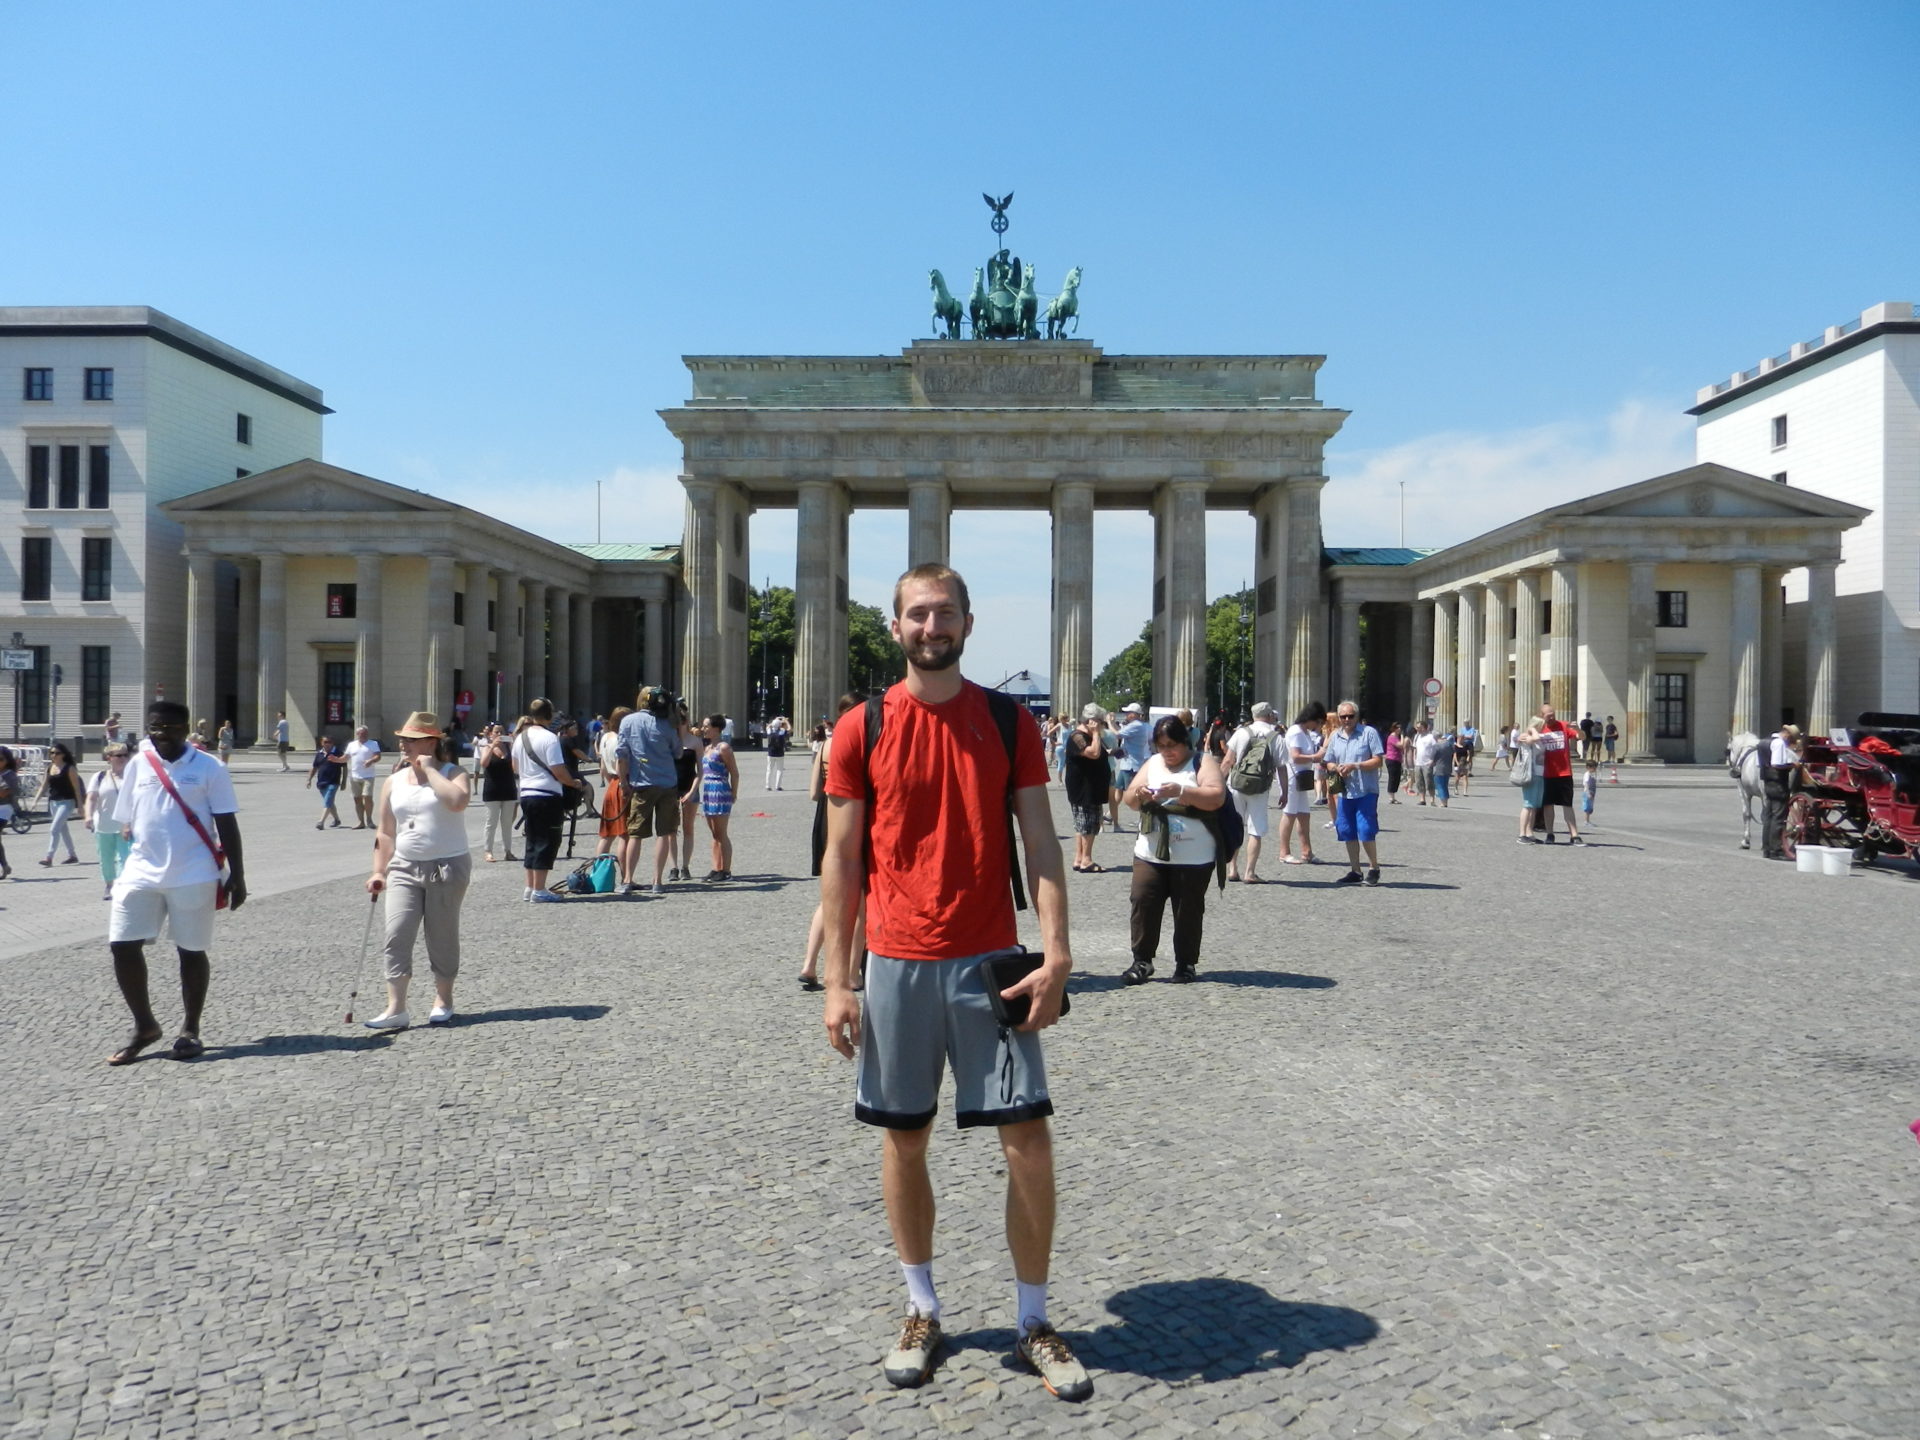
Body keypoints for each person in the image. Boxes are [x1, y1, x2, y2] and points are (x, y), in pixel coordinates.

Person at [819, 563, 1089, 1402]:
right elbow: (842, 857)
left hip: (989, 961)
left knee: (1029, 1142)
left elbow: (1042, 843)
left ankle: (1034, 1319)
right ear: (895, 626)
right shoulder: (860, 726)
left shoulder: (1008, 722)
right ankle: (922, 1306)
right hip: (896, 962)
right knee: (903, 1138)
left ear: (968, 624)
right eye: (918, 614)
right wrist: (839, 977)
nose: (932, 627)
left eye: (946, 614)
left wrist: (1058, 950)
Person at [104, 700, 246, 1065]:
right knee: (122, 944)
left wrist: (238, 876)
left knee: (191, 950)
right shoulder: (138, 763)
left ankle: (190, 1029)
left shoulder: (209, 767)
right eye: (154, 727)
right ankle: (145, 1025)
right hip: (141, 870)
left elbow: (227, 822)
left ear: (185, 729)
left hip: (194, 872)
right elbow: (128, 818)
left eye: (168, 727)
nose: (160, 734)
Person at [362, 711, 471, 1031]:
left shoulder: (455, 773)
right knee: (396, 933)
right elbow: (385, 831)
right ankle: (396, 1007)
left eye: (410, 740)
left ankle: (443, 999)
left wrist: (430, 771)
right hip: (403, 867)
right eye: (402, 739)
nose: (403, 744)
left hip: (447, 867)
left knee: (441, 935)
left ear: (430, 742)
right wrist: (378, 871)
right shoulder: (393, 781)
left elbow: (458, 802)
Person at [1123, 714, 1227, 982]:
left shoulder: (1202, 762)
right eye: (1161, 745)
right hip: (1150, 851)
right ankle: (1142, 961)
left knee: (1188, 910)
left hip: (1194, 855)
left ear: (1185, 741)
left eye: (1172, 745)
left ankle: (1186, 964)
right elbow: (1129, 799)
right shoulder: (1153, 762)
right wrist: (1140, 794)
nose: (1167, 751)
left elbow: (1216, 797)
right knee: (1143, 902)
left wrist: (1181, 791)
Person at [801, 695, 867, 991]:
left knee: (830, 897)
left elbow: (814, 792)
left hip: (826, 817)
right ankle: (851, 973)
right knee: (861, 903)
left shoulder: (827, 744)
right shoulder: (862, 742)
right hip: (855, 818)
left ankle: (809, 964)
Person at [513, 699, 586, 901]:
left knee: (532, 840)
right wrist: (573, 783)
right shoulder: (549, 738)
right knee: (548, 841)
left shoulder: (521, 738)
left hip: (526, 793)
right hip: (546, 795)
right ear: (549, 716)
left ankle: (530, 887)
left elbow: (515, 768)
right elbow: (558, 770)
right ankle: (540, 889)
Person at [616, 686, 684, 896]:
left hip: (641, 783)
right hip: (667, 784)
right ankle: (657, 880)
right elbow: (678, 753)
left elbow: (621, 755)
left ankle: (627, 879)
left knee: (635, 834)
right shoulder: (666, 725)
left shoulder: (628, 722)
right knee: (664, 833)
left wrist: (623, 783)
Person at [1324, 700, 1385, 885]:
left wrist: (1355, 766)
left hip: (1366, 790)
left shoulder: (1369, 733)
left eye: (1350, 716)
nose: (1347, 719)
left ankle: (1374, 867)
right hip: (1344, 791)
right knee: (1347, 831)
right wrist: (1335, 767)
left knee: (1366, 830)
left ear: (1357, 716)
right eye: (1343, 717)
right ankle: (1355, 870)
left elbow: (1378, 760)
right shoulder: (1335, 736)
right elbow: (1328, 761)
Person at [1224, 701, 1282, 882]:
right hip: (1260, 788)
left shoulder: (1241, 732)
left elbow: (1228, 760)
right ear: (1270, 716)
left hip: (1237, 784)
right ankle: (1250, 872)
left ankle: (1232, 869)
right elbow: (1282, 768)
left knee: (1235, 826)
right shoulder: (1276, 737)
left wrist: (1216, 783)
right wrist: (1285, 792)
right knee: (1255, 830)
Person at [1062, 703, 1112, 873]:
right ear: (1093, 721)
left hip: (1091, 785)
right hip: (1084, 787)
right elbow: (1093, 753)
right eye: (1100, 722)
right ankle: (1087, 860)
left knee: (1081, 824)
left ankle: (1079, 858)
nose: (1102, 726)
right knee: (1088, 824)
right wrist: (1097, 733)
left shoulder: (1086, 735)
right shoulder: (1078, 736)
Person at [1529, 703, 1585, 844]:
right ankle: (1550, 834)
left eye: (1553, 714)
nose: (1552, 717)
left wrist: (1578, 729)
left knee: (1567, 805)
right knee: (1548, 805)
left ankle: (1574, 835)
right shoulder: (1540, 729)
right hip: (1546, 774)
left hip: (1564, 773)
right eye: (1549, 715)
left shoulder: (1564, 725)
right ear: (1542, 716)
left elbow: (1581, 737)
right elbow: (1526, 738)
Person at [83, 743, 133, 899]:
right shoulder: (99, 777)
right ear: (109, 758)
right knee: (106, 858)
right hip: (104, 825)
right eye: (119, 755)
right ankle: (109, 885)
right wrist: (88, 815)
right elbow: (91, 798)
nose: (123, 758)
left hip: (126, 825)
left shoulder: (133, 776)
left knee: (125, 858)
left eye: (126, 755)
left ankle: (121, 885)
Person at [692, 713, 738, 881]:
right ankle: (715, 867)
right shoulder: (707, 747)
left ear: (716, 728)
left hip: (720, 790)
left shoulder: (723, 748)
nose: (704, 729)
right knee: (714, 834)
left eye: (706, 726)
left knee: (721, 833)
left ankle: (726, 870)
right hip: (708, 791)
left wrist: (734, 793)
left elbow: (734, 772)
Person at [1278, 702, 1325, 864]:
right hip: (1293, 776)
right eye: (1318, 722)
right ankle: (1284, 852)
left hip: (1302, 775)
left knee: (1304, 814)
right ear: (1312, 719)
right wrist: (1315, 757)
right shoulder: (1296, 732)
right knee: (1289, 813)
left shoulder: (1304, 732)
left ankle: (1307, 851)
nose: (1318, 726)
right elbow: (1295, 756)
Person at [34, 742, 82, 866]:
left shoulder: (69, 768)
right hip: (53, 802)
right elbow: (44, 786)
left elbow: (77, 788)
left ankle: (49, 857)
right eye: (52, 753)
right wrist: (35, 800)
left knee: (54, 829)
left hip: (67, 802)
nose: (54, 755)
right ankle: (72, 855)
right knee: (63, 830)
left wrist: (81, 806)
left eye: (57, 753)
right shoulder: (50, 768)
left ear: (63, 755)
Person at [594, 705, 632, 862]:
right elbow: (621, 763)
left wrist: (612, 783)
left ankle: (598, 872)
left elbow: (603, 766)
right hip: (623, 782)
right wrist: (624, 784)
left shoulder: (605, 737)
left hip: (612, 784)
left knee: (607, 834)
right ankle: (626, 875)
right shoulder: (621, 739)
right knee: (625, 834)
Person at [1761, 723, 1801, 860]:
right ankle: (1776, 849)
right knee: (1779, 817)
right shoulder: (1778, 743)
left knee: (1769, 816)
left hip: (1767, 782)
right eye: (1791, 740)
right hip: (1778, 783)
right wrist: (1792, 765)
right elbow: (1777, 764)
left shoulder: (1764, 742)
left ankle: (1766, 847)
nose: (1790, 743)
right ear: (1788, 734)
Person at [1114, 702, 1151, 831]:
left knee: (1134, 795)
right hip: (1126, 763)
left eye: (1128, 713)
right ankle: (1111, 815)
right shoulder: (1137, 725)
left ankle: (1143, 818)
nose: (1126, 714)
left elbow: (1116, 734)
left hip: (1132, 765)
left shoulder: (1136, 725)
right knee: (1118, 790)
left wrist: (1108, 722)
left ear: (1134, 715)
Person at [1512, 724, 1547, 843]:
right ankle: (1522, 834)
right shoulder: (1527, 738)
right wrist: (1531, 729)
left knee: (1534, 806)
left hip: (1539, 774)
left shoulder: (1538, 738)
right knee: (1528, 804)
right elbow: (1535, 738)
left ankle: (1530, 833)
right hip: (1529, 774)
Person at [345, 725, 382, 828]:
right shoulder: (351, 745)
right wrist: (335, 760)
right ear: (357, 734)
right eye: (361, 733)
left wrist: (371, 760)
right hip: (354, 775)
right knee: (357, 799)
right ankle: (361, 822)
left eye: (365, 733)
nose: (363, 735)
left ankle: (369, 819)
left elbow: (378, 756)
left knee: (367, 796)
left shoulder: (373, 744)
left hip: (368, 775)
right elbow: (346, 757)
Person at [308, 734, 345, 828]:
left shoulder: (338, 752)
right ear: (321, 743)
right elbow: (314, 768)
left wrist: (343, 781)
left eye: (330, 742)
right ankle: (337, 820)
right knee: (330, 802)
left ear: (333, 743)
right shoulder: (319, 754)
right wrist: (309, 779)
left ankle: (321, 822)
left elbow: (344, 767)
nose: (328, 744)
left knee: (328, 801)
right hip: (321, 782)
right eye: (325, 742)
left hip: (333, 782)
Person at [0, 748, 16, 879]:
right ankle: (5, 866)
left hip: (4, 808)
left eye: (0, 759)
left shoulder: (9, 774)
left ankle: (5, 865)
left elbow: (5, 792)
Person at [765, 715, 791, 790]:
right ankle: (778, 786)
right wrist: (786, 721)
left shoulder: (769, 731)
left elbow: (768, 726)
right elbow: (789, 729)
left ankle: (768, 785)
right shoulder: (782, 731)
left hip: (770, 753)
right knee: (779, 770)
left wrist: (774, 720)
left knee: (769, 769)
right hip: (780, 753)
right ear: (780, 725)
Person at [1383, 721, 1405, 804]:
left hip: (1397, 759)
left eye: (1400, 728)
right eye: (1397, 727)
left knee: (1397, 778)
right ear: (1393, 728)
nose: (1399, 729)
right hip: (1391, 759)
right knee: (1392, 778)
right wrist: (1402, 736)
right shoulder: (1392, 737)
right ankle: (1391, 797)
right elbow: (1400, 745)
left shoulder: (1396, 737)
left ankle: (1393, 796)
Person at [1581, 759, 1599, 829]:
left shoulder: (1591, 774)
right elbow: (1586, 784)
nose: (1595, 769)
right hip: (1587, 792)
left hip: (1592, 792)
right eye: (1594, 768)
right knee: (1587, 807)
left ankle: (1588, 820)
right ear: (1588, 767)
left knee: (1590, 807)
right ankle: (1586, 821)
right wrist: (1588, 793)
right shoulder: (1587, 774)